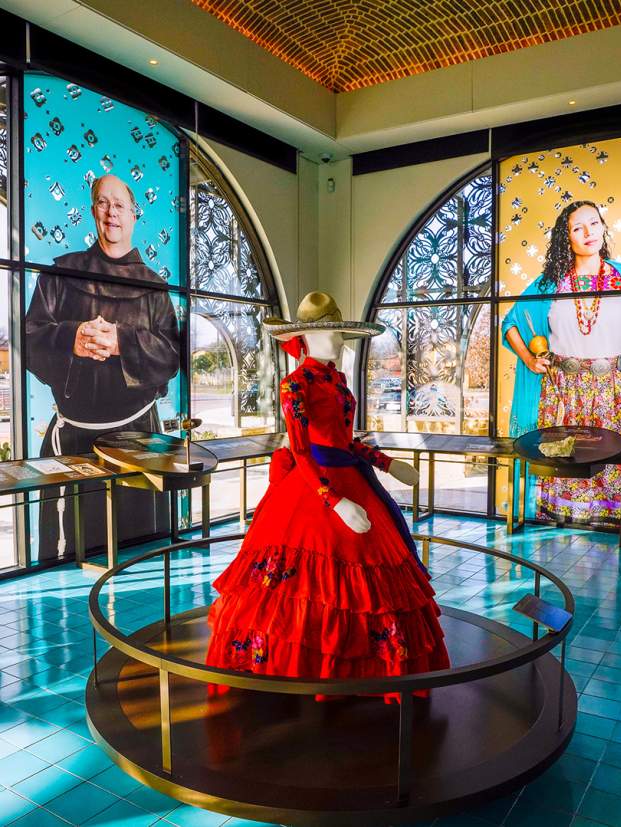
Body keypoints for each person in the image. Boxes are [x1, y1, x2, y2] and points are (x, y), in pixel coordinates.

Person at [206, 291, 449, 699]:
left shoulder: (337, 380)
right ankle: (300, 671)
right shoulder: (294, 385)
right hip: (313, 487)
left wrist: (388, 463)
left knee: (372, 585)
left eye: (339, 332)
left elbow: (345, 442)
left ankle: (365, 673)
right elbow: (302, 452)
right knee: (300, 587)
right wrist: (335, 501)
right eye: (330, 332)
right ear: (305, 336)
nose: (338, 340)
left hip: (352, 479)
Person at [25, 174, 180, 561]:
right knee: (75, 555)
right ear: (94, 211)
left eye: (119, 204)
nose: (112, 212)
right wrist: (71, 337)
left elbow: (171, 357)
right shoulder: (60, 275)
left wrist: (122, 342)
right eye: (103, 203)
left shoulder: (154, 288)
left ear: (133, 215)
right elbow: (29, 340)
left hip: (140, 440)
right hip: (75, 440)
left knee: (141, 556)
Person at [502, 200, 621, 525]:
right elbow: (511, 323)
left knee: (617, 463)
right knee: (567, 463)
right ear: (567, 237)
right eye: (578, 227)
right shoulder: (552, 282)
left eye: (594, 223)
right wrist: (528, 358)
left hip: (614, 392)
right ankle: (563, 525)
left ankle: (618, 527)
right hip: (564, 392)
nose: (588, 232)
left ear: (603, 227)